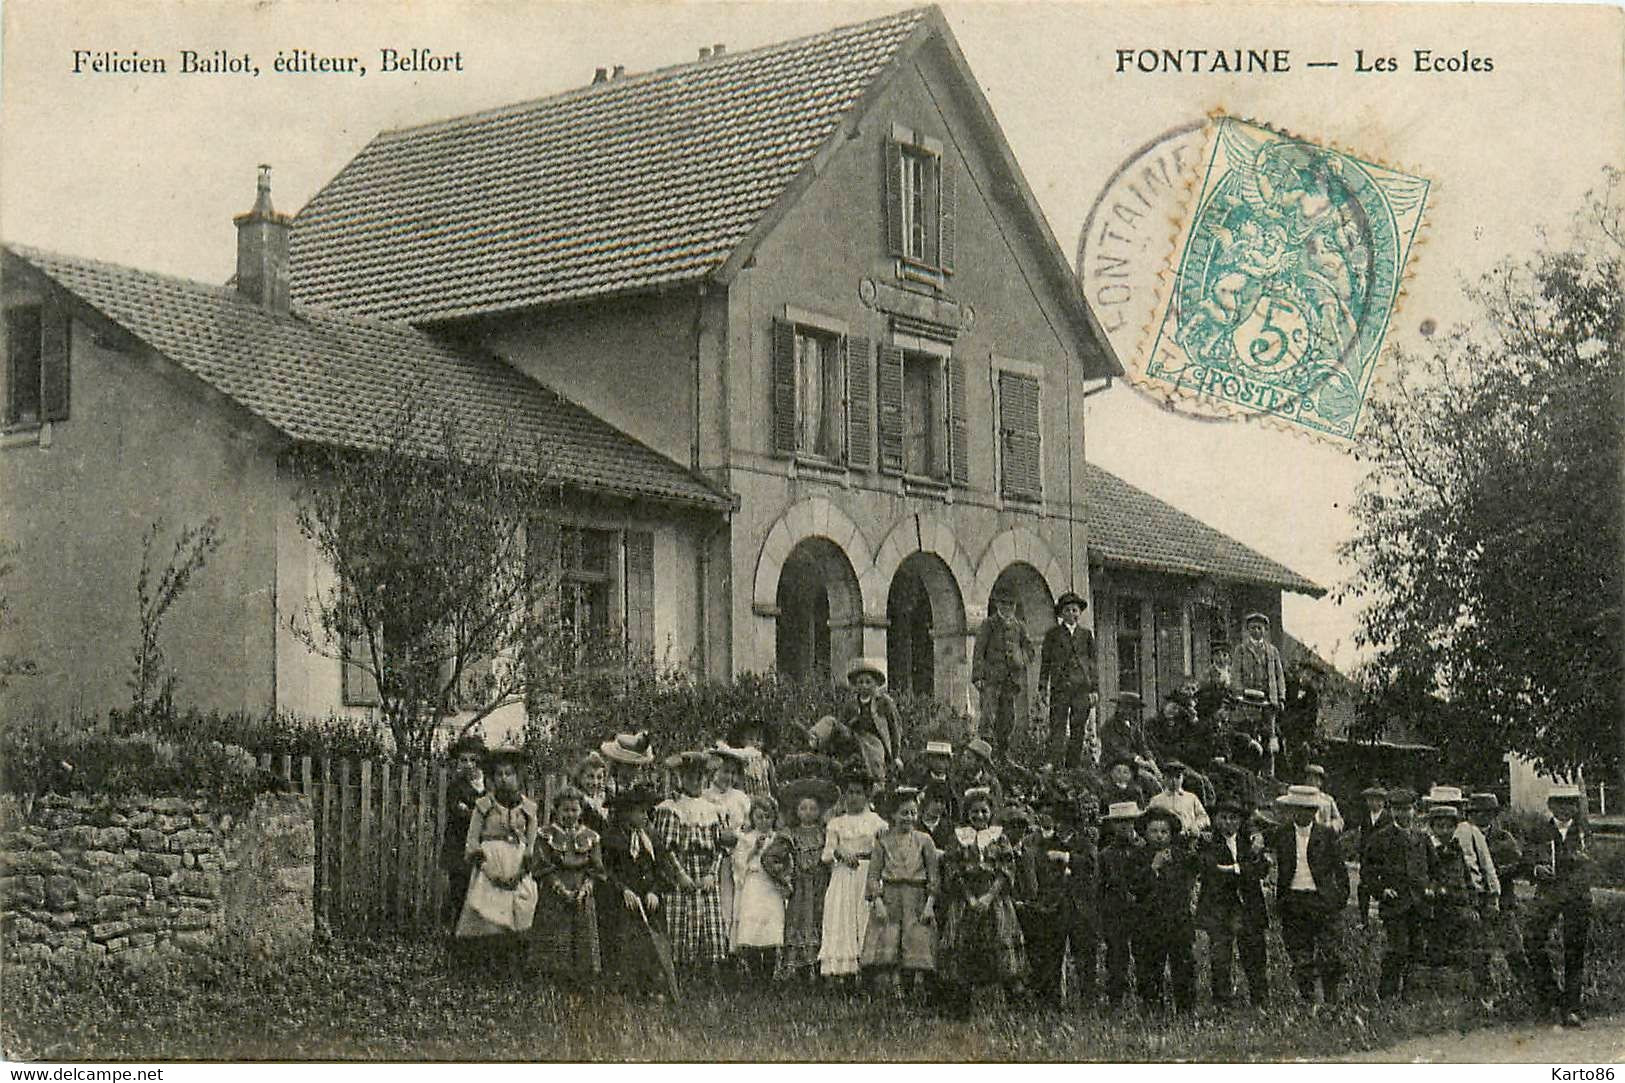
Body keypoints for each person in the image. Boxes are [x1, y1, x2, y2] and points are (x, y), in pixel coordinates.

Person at [938, 787, 1028, 1012]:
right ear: (967, 813)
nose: (979, 816)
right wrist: (969, 898)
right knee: (963, 950)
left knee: (1002, 951)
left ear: (991, 813)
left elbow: (1007, 869)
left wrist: (989, 897)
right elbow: (952, 869)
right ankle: (960, 1008)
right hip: (965, 901)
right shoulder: (958, 838)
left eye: (984, 812)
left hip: (995, 900)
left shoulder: (1000, 837)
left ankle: (1014, 1007)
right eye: (974, 812)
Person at [455, 745, 540, 971]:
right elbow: (472, 841)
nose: (504, 779)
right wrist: (487, 867)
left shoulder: (529, 809)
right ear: (492, 778)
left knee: (520, 908)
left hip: (517, 867)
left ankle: (514, 962)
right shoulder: (483, 806)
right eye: (499, 774)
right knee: (488, 913)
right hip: (489, 867)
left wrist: (523, 867)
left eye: (509, 774)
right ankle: (487, 964)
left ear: (518, 776)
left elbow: (531, 844)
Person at [652, 751, 730, 979]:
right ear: (680, 777)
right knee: (682, 923)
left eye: (700, 777)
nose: (695, 781)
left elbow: (720, 847)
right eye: (690, 776)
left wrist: (711, 874)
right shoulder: (670, 807)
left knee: (709, 924)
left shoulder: (712, 808)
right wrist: (680, 875)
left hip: (705, 873)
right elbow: (666, 848)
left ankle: (707, 974)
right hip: (682, 872)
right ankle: (682, 974)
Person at [1520, 785, 1594, 1027]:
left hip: (1576, 896)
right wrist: (1535, 869)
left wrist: (1583, 862)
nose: (1565, 808)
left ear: (1576, 805)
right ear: (1550, 805)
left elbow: (1592, 863)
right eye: (1560, 803)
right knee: (1532, 940)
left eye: (1570, 803)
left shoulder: (1583, 830)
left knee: (1574, 949)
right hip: (1548, 895)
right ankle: (1551, 996)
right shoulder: (1539, 830)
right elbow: (1526, 858)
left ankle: (1572, 1006)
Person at [1018, 790, 1098, 1008]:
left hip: (1080, 908)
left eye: (1067, 822)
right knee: (1051, 955)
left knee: (1084, 956)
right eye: (1059, 821)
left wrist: (1067, 858)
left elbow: (1092, 864)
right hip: (1053, 907)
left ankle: (1087, 1001)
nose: (1062, 826)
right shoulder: (1045, 844)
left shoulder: (1084, 842)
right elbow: (1039, 871)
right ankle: (1050, 1002)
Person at [1272, 784, 1349, 1004]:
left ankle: (1331, 1000)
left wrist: (1339, 898)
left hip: (1322, 901)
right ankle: (1308, 1000)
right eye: (1297, 808)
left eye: (1307, 809)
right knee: (1300, 954)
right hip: (1294, 900)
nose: (1302, 814)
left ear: (1315, 811)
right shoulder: (1282, 834)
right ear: (1290, 810)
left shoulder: (1326, 835)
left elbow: (1341, 870)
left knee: (1330, 954)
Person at [863, 786, 940, 996]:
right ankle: (894, 987)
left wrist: (929, 905)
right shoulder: (883, 841)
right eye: (904, 813)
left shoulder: (925, 841)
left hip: (916, 897)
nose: (909, 818)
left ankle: (916, 986)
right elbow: (873, 875)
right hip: (890, 896)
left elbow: (934, 877)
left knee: (916, 941)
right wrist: (877, 901)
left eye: (913, 813)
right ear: (893, 815)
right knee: (891, 940)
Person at [1196, 797, 1270, 1006]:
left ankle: (1260, 1000)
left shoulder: (1250, 842)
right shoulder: (1208, 841)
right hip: (1220, 907)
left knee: (1254, 954)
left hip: (1249, 906)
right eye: (1223, 818)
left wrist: (1236, 868)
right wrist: (1243, 868)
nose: (1228, 823)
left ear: (1240, 821)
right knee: (1220, 956)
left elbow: (1262, 869)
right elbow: (1210, 869)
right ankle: (1222, 1002)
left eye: (1233, 818)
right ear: (1216, 819)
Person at [820, 764, 889, 984]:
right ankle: (844, 975)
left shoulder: (877, 822)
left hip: (867, 874)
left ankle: (867, 972)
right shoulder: (836, 823)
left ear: (868, 795)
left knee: (865, 918)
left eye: (859, 792)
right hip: (843, 875)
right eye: (849, 792)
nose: (853, 797)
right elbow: (826, 854)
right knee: (844, 918)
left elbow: (884, 852)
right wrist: (840, 852)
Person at [598, 784, 668, 998]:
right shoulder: (611, 839)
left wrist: (654, 891)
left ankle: (652, 985)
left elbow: (661, 870)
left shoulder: (650, 839)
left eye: (647, 812)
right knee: (624, 941)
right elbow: (605, 871)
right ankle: (626, 987)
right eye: (641, 812)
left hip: (648, 901)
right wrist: (623, 890)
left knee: (650, 942)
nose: (646, 816)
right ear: (626, 813)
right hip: (621, 902)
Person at [532, 787, 606, 986]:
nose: (570, 815)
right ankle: (552, 978)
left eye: (574, 810)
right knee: (555, 932)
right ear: (556, 810)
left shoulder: (591, 836)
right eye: (565, 810)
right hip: (555, 891)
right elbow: (541, 865)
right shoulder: (546, 834)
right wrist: (559, 888)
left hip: (582, 891)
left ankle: (581, 980)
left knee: (582, 934)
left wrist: (586, 887)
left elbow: (596, 868)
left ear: (581, 811)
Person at [1132, 806, 1200, 1014]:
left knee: (1184, 968)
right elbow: (1135, 885)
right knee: (1149, 969)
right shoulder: (1138, 857)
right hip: (1149, 923)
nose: (1159, 836)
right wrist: (1153, 867)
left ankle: (1185, 1010)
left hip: (1178, 922)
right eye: (1154, 831)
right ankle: (1152, 1009)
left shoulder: (1181, 856)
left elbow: (1194, 871)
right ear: (1145, 833)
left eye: (1164, 832)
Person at [1367, 788, 1431, 1000]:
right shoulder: (1380, 838)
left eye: (1407, 809)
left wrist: (1431, 887)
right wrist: (1381, 890)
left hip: (1419, 903)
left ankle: (1410, 994)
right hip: (1394, 904)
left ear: (1415, 811)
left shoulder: (1422, 839)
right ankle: (1386, 994)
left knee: (1416, 949)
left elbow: (1435, 869)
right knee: (1397, 949)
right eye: (1397, 809)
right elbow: (1368, 872)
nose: (1403, 814)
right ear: (1391, 810)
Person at [1421, 802, 1490, 988]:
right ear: (1432, 827)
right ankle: (1440, 990)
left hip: (1461, 908)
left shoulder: (1456, 848)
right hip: (1438, 908)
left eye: (1449, 826)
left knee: (1471, 949)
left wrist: (1472, 905)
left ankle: (1475, 989)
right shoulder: (1426, 849)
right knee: (1438, 952)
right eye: (1440, 826)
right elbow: (1424, 878)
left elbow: (1467, 880)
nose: (1444, 831)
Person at [731, 793, 795, 981]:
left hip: (771, 887)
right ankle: (755, 973)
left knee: (770, 930)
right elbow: (739, 863)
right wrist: (755, 850)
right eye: (759, 817)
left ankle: (768, 974)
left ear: (774, 818)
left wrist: (783, 875)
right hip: (754, 885)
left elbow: (786, 861)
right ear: (752, 817)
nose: (764, 821)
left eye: (768, 817)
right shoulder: (747, 838)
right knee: (752, 930)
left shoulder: (778, 838)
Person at [780, 777, 836, 981]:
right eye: (803, 808)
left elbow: (831, 855)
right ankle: (795, 966)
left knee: (818, 919)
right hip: (799, 885)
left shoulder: (824, 832)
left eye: (813, 808)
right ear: (796, 811)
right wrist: (785, 874)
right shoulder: (790, 834)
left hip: (820, 884)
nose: (808, 812)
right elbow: (771, 857)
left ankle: (816, 965)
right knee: (798, 920)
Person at [1470, 792, 1528, 989]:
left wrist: (1496, 872)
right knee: (1480, 949)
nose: (1481, 816)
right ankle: (1485, 991)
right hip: (1477, 902)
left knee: (1514, 946)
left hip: (1503, 900)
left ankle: (1525, 986)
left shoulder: (1503, 837)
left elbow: (1518, 863)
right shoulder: (1465, 837)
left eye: (1487, 813)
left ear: (1494, 814)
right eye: (1476, 812)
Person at [818, 658, 906, 787]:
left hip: (874, 740)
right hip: (853, 737)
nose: (864, 686)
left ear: (875, 684)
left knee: (873, 754)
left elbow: (895, 728)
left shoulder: (884, 702)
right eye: (860, 682)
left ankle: (877, 783)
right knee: (830, 720)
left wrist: (896, 755)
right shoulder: (851, 704)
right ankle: (815, 737)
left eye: (868, 682)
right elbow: (841, 724)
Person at [973, 590, 1036, 761]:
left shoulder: (1019, 626)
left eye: (1011, 604)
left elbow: (1030, 651)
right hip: (991, 680)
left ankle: (1003, 754)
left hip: (1011, 681)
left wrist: (1020, 658)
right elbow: (979, 651)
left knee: (1008, 718)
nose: (1008, 608)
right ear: (998, 605)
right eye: (1004, 604)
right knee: (988, 716)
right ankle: (983, 754)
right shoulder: (989, 624)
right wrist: (978, 676)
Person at [1038, 591, 1098, 769]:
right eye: (1067, 610)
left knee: (1078, 727)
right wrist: (1042, 687)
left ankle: (1073, 766)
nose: (1072, 613)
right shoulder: (1053, 635)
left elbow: (1092, 664)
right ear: (1061, 614)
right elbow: (1045, 662)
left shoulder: (1086, 635)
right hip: (1060, 687)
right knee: (1057, 726)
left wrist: (1094, 689)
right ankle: (1053, 764)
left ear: (1079, 613)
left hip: (1082, 688)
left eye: (1075, 610)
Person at [704, 745, 752, 949]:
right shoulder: (705, 796)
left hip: (738, 856)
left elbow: (748, 827)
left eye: (733, 773)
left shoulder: (740, 798)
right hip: (714, 856)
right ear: (713, 771)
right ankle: (717, 947)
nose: (729, 777)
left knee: (736, 903)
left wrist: (738, 836)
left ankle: (734, 949)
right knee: (718, 903)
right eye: (725, 771)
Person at [1098, 800, 1144, 1009]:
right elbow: (1100, 887)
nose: (1124, 826)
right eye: (1118, 822)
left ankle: (1146, 999)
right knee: (1116, 957)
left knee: (1145, 954)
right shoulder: (1106, 854)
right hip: (1116, 912)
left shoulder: (1144, 848)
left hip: (1141, 911)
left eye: (1128, 821)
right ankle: (1116, 1000)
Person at [442, 735, 487, 941]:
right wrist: (477, 814)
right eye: (463, 760)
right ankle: (458, 942)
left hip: (485, 851)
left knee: (483, 898)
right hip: (459, 851)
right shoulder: (455, 788)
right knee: (460, 896)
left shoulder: (490, 787)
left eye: (473, 760)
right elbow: (461, 815)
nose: (468, 765)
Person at [1234, 613, 1286, 764]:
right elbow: (1236, 673)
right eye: (1253, 628)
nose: (1256, 631)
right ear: (1248, 630)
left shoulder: (1272, 651)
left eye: (1259, 628)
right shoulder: (1241, 650)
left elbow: (1279, 676)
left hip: (1269, 702)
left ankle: (1269, 773)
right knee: (1250, 734)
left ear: (1265, 630)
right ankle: (1252, 769)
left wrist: (1281, 697)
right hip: (1248, 701)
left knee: (1270, 737)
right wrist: (1238, 692)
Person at [1098, 692, 1159, 791]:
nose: (1130, 711)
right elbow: (1118, 750)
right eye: (1125, 707)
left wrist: (1151, 761)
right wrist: (1138, 760)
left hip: (1132, 766)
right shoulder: (1109, 726)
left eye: (1133, 708)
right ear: (1119, 708)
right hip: (1113, 765)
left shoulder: (1134, 725)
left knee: (1156, 780)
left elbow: (1142, 746)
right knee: (1147, 781)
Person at [1354, 785, 1391, 926]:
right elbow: (1362, 837)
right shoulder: (1365, 818)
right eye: (1370, 799)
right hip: (1367, 857)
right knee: (1363, 886)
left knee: (1383, 887)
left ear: (1383, 801)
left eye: (1377, 800)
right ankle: (1364, 919)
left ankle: (1384, 918)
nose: (1373, 803)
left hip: (1383, 858)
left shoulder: (1388, 817)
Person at [1147, 760, 1210, 835]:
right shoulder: (1156, 800)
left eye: (1177, 777)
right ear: (1164, 778)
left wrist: (1196, 825)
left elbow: (1204, 817)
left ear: (1182, 778)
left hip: (1188, 837)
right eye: (1170, 777)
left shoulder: (1191, 798)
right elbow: (1149, 820)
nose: (1173, 781)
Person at [724, 719, 776, 800]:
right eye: (751, 739)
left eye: (759, 740)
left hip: (765, 798)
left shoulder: (766, 760)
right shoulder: (738, 758)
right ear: (742, 740)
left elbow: (772, 782)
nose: (755, 743)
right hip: (745, 798)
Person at [913, 739, 961, 827]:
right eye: (935, 758)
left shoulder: (956, 784)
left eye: (943, 759)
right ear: (928, 760)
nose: (940, 763)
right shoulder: (919, 782)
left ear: (949, 762)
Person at [599, 731, 656, 797]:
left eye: (637, 765)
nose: (636, 769)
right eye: (631, 765)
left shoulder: (641, 787)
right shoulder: (607, 789)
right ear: (618, 765)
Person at [572, 751, 612, 834]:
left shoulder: (607, 797)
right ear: (580, 777)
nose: (595, 782)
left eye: (599, 777)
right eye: (590, 777)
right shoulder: (575, 800)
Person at [1302, 764, 1344, 833]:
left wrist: (1331, 825)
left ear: (1320, 782)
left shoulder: (1328, 800)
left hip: (1324, 837)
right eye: (1309, 778)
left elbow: (1339, 820)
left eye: (1315, 779)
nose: (1312, 782)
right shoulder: (1299, 799)